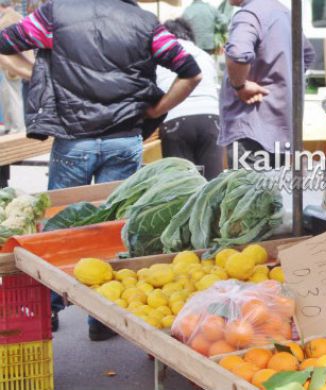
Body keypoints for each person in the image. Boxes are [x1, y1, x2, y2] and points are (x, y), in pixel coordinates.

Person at [0, 0, 203, 341]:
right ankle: (102, 319)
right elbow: (191, 72)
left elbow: (6, 42)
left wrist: (38, 68)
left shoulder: (55, 14)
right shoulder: (144, 21)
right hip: (124, 139)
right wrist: (158, 106)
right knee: (114, 231)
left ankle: (49, 308)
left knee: (57, 231)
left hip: (73, 142)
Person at [221, 0, 315, 166]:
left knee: (249, 191)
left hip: (250, 129)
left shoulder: (249, 14)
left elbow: (238, 53)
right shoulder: (284, 13)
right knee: (273, 190)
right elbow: (307, 55)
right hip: (281, 129)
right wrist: (282, 83)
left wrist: (240, 86)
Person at [156, 18, 224, 180]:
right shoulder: (203, 55)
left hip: (175, 120)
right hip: (211, 119)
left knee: (181, 187)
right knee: (212, 185)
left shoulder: (160, 56)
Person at [0, 0, 31, 133]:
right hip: (14, 64)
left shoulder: (10, 18)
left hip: (15, 65)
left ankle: (18, 127)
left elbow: (8, 44)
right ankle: (10, 125)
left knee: (14, 97)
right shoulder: (15, 16)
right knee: (8, 95)